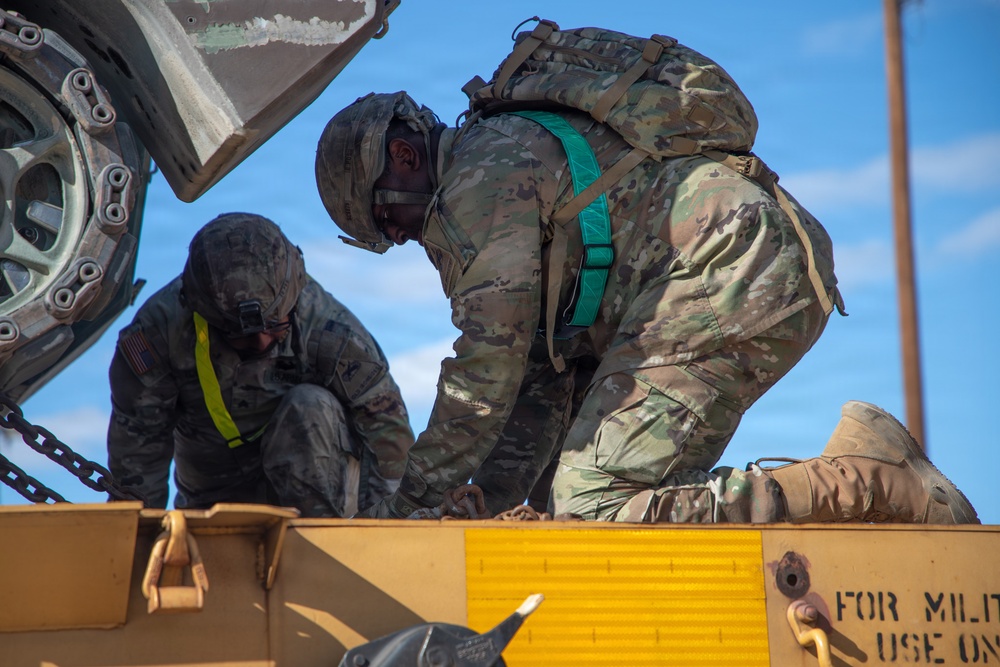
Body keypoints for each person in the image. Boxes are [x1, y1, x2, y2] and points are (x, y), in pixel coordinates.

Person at [313, 90, 978, 525]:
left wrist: (401, 513)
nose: (398, 239)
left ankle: (868, 484)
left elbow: (482, 378)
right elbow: (538, 385)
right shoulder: (500, 171)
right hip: (729, 265)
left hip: (726, 265)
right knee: (562, 516)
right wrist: (481, 496)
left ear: (402, 155)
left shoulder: (478, 183)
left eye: (385, 219)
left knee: (590, 502)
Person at [107, 212, 414, 517]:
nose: (262, 343)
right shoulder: (158, 335)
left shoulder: (331, 331)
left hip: (323, 494)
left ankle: (317, 544)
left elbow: (386, 433)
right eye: (240, 336)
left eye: (276, 326)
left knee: (309, 405)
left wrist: (387, 534)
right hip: (213, 500)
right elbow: (138, 459)